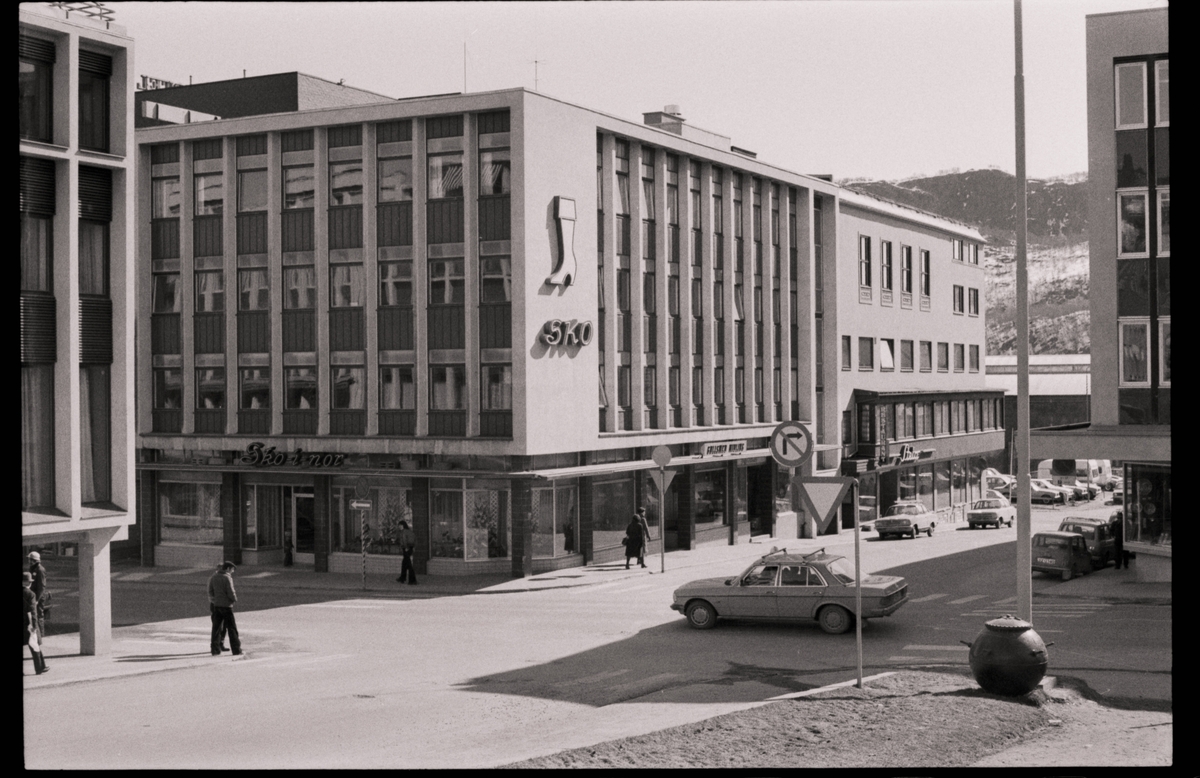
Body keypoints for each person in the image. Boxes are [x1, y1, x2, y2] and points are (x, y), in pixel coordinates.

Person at [207, 562, 242, 656]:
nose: (233, 571)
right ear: (228, 569)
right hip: (227, 606)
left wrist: (215, 600)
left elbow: (210, 591)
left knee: (216, 628)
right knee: (232, 628)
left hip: (217, 605)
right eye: (232, 569)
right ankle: (236, 649)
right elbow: (230, 591)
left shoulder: (214, 577)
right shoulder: (227, 577)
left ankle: (215, 649)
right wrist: (234, 599)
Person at [24, 572, 48, 675]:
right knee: (34, 646)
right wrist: (34, 625)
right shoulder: (31, 594)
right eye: (29, 582)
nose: (30, 583)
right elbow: (33, 611)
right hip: (28, 623)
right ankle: (39, 668)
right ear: (27, 582)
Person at [208, 564, 230, 652]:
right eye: (220, 568)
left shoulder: (225, 577)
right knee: (217, 626)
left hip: (223, 604)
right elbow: (210, 593)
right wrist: (215, 602)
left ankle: (220, 643)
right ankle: (215, 645)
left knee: (224, 626)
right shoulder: (213, 578)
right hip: (216, 605)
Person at [28, 551, 48, 640]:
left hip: (38, 596)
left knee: (39, 615)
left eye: (30, 559)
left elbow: (42, 587)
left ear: (34, 560)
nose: (29, 561)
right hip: (33, 595)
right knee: (33, 614)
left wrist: (37, 600)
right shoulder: (32, 568)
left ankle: (41, 635)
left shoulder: (40, 570)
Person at [396, 520, 417, 585]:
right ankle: (403, 577)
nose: (399, 527)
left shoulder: (404, 532)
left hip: (406, 548)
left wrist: (405, 547)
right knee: (404, 563)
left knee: (408, 564)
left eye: (400, 525)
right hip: (409, 548)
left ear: (403, 525)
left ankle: (412, 580)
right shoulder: (409, 531)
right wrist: (413, 547)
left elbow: (404, 540)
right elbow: (415, 539)